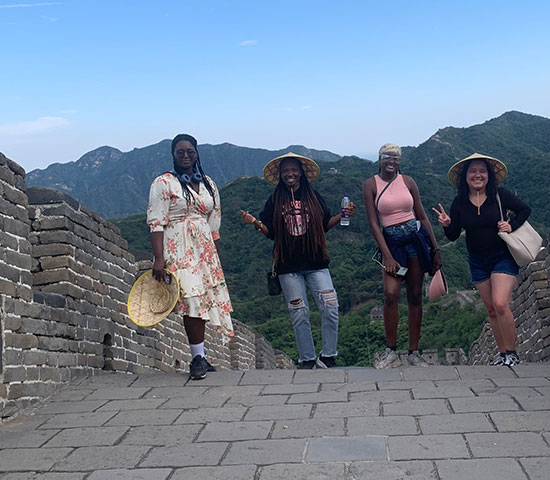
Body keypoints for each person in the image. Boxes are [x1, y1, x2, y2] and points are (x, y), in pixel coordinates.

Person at [240, 153, 355, 369]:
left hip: (317, 263)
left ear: (301, 172)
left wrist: (342, 215)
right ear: (280, 175)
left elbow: (325, 224)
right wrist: (254, 222)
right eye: (286, 171)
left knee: (330, 306)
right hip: (288, 266)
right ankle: (307, 358)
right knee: (299, 312)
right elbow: (270, 232)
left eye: (294, 170)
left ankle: (328, 355)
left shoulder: (313, 196)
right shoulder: (275, 200)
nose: (290, 174)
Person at [146, 134, 234, 380]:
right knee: (192, 300)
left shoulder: (208, 184)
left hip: (204, 251)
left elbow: (213, 223)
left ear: (197, 153)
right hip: (178, 249)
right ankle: (196, 358)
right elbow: (156, 222)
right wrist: (158, 258)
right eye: (180, 152)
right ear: (173, 155)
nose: (186, 156)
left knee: (203, 300)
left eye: (190, 152)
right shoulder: (163, 183)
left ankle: (202, 355)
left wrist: (215, 258)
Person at [433, 153, 531, 367]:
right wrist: (447, 224)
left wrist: (511, 225)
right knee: (490, 309)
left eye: (482, 171)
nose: (478, 175)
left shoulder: (500, 196)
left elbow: (525, 209)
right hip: (477, 259)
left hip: (502, 256)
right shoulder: (459, 202)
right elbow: (453, 235)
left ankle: (513, 353)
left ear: (489, 176)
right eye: (473, 171)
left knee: (501, 304)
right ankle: (503, 353)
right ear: (465, 177)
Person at [363, 144, 442, 369]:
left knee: (415, 296)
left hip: (415, 240)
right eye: (387, 157)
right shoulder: (371, 184)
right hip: (392, 244)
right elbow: (373, 224)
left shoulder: (408, 182)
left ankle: (414, 353)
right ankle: (391, 351)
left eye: (396, 158)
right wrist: (387, 256)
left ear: (400, 161)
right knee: (391, 294)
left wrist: (435, 249)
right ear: (379, 160)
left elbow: (422, 216)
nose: (391, 161)